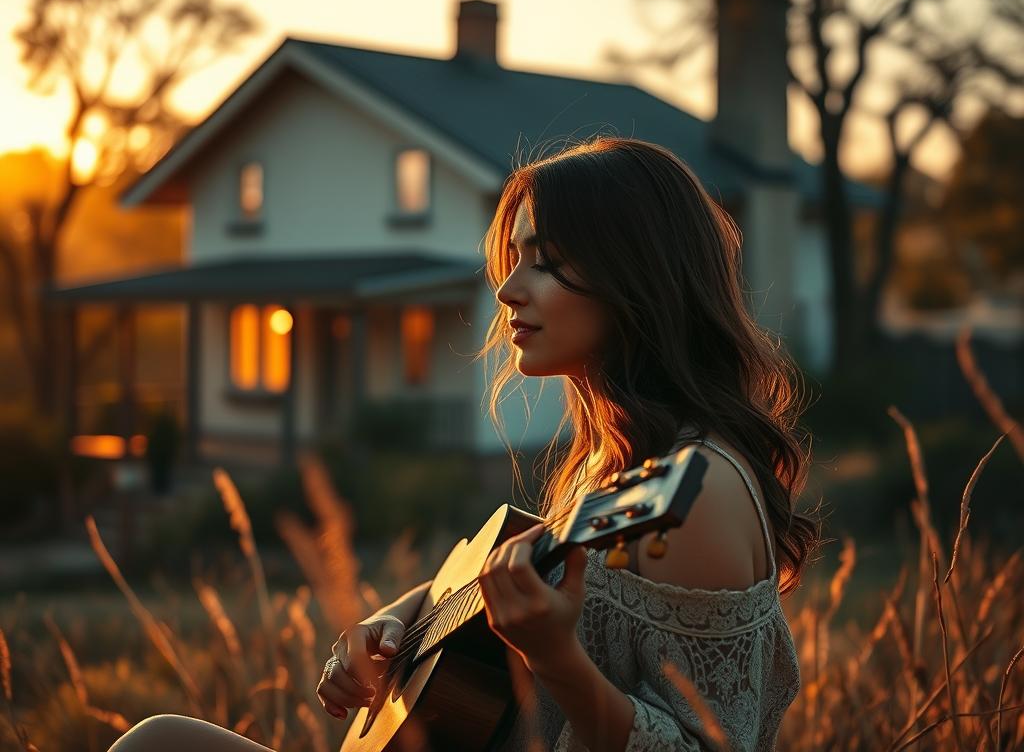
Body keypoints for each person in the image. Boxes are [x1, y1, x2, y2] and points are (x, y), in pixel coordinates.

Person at [108, 136, 819, 752]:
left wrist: (556, 659)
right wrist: (396, 621)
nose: (507, 289)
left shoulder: (697, 491)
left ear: (638, 277)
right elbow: (498, 582)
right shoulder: (615, 465)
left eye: (546, 261)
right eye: (514, 259)